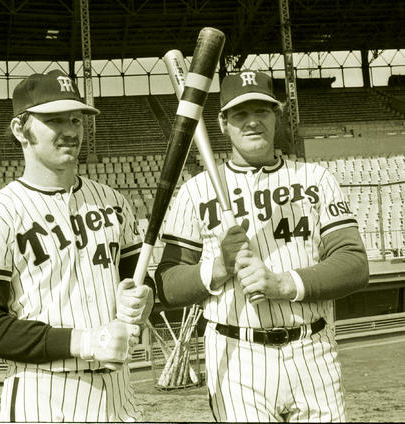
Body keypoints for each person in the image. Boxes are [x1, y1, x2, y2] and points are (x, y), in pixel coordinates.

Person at [155, 70, 369, 422]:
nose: (252, 121)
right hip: (236, 356)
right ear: (223, 123)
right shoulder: (195, 191)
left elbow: (354, 264)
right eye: (240, 113)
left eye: (262, 111)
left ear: (276, 115)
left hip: (312, 350)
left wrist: (284, 283)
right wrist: (221, 267)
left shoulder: (316, 179)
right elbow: (168, 285)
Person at [0, 69, 154, 422]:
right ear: (20, 129)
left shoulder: (113, 201)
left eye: (76, 119)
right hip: (43, 393)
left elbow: (140, 283)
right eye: (54, 120)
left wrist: (144, 299)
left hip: (119, 393)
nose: (71, 130)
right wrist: (85, 341)